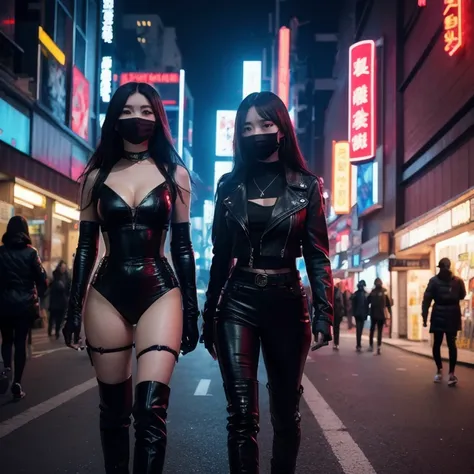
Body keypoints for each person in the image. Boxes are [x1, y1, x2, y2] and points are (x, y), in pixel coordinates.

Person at [62, 82, 200, 474]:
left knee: (150, 409)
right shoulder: (94, 178)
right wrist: (73, 310)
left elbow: (183, 248)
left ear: (158, 118)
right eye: (126, 110)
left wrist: (191, 311)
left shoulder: (176, 174)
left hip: (161, 290)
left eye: (144, 110)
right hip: (106, 293)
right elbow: (85, 249)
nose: (135, 118)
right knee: (113, 413)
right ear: (113, 118)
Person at [201, 91, 334, 474]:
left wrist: (324, 312)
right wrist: (210, 314)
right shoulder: (227, 186)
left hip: (288, 303)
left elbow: (317, 255)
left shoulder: (307, 186)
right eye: (246, 127)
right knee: (241, 414)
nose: (255, 132)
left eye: (264, 124)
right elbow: (220, 254)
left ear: (281, 129)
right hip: (237, 301)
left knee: (286, 413)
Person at [0, 215, 48, 399]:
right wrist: (38, 296)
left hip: (3, 304)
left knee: (6, 340)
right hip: (24, 305)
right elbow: (42, 279)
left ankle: (6, 369)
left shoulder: (1, 252)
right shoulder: (31, 253)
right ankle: (17, 384)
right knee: (21, 342)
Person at [422, 258, 466, 386]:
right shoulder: (458, 281)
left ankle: (439, 370)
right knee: (452, 344)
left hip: (438, 315)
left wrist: (424, 317)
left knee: (437, 343)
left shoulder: (434, 281)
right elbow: (462, 295)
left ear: (439, 267)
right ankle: (451, 374)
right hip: (453, 314)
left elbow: (426, 300)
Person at [367, 278, 391, 355]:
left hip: (373, 314)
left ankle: (371, 345)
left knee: (372, 330)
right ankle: (379, 346)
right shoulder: (385, 292)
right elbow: (388, 304)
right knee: (379, 331)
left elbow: (367, 301)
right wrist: (389, 313)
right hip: (381, 315)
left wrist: (368, 311)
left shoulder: (373, 292)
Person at [48, 260, 71, 339]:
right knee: (53, 316)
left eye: (65, 267)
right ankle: (50, 329)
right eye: (62, 267)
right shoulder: (55, 275)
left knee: (60, 318)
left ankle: (57, 331)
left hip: (63, 301)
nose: (63, 269)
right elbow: (51, 286)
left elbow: (68, 287)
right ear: (59, 267)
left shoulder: (67, 276)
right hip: (55, 299)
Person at [351, 280, 369, 351]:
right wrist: (367, 314)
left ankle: (358, 344)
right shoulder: (366, 294)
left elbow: (352, 303)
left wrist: (353, 313)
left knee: (358, 330)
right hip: (363, 314)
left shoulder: (356, 294)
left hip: (357, 314)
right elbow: (367, 306)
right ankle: (359, 344)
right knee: (360, 329)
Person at [332, 280, 345, 350]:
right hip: (338, 312)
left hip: (333, 312)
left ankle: (335, 343)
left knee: (334, 328)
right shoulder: (339, 292)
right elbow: (342, 304)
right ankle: (337, 343)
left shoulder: (332, 292)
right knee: (337, 328)